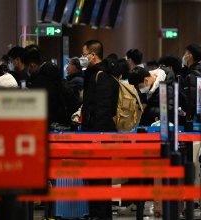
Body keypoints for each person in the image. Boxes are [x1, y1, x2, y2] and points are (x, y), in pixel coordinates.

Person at [80, 40, 118, 220]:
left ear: (93, 55)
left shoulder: (101, 76)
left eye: (84, 54)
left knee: (100, 177)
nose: (82, 58)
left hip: (99, 136)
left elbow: (103, 109)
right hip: (94, 133)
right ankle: (97, 213)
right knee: (95, 177)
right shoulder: (94, 74)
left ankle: (101, 215)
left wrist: (96, 136)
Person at [23, 46, 78, 125]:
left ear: (32, 65)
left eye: (27, 67)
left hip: (51, 124)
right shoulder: (52, 72)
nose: (28, 71)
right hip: (62, 121)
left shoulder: (41, 80)